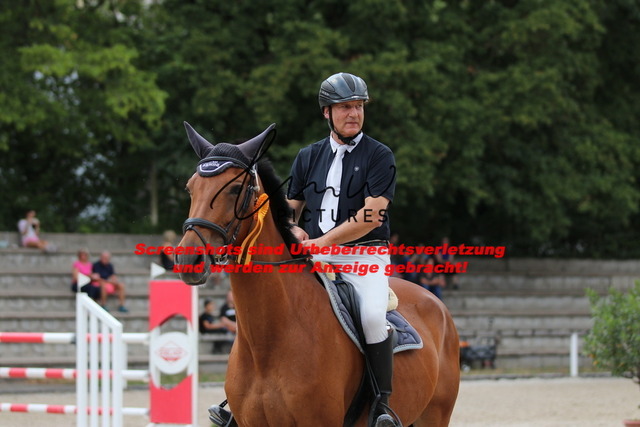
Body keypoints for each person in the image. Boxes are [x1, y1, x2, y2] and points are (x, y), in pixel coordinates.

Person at [287, 72, 399, 426]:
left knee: (372, 317)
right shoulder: (307, 156)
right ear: (327, 112)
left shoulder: (379, 155)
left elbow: (372, 215)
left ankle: (381, 406)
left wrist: (322, 243)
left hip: (364, 256)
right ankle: (243, 395)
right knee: (272, 301)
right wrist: (292, 229)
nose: (354, 113)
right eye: (345, 107)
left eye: (359, 106)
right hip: (312, 254)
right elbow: (290, 207)